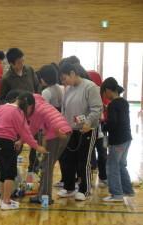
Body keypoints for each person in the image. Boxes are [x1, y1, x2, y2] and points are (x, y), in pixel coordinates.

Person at [0, 92, 46, 210]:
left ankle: (3, 200)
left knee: (3, 172)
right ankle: (6, 202)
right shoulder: (18, 113)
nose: (30, 111)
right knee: (10, 174)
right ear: (28, 105)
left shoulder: (0, 107)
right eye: (31, 108)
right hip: (6, 143)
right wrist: (37, 147)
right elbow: (26, 133)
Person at [57, 61, 102, 201]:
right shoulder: (68, 89)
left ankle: (85, 189)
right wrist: (63, 127)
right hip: (71, 131)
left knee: (84, 161)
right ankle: (69, 187)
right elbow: (64, 110)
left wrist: (88, 122)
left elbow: (97, 108)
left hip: (86, 130)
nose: (64, 82)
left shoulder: (90, 87)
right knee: (66, 159)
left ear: (72, 73)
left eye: (65, 78)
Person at [0, 48, 40, 179]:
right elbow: (2, 99)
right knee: (17, 143)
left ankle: (33, 168)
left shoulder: (30, 70)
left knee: (35, 141)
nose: (22, 63)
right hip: (17, 116)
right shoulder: (6, 78)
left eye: (23, 60)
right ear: (12, 63)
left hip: (33, 113)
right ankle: (9, 169)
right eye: (19, 62)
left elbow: (37, 87)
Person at [100, 77, 134, 202]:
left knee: (112, 166)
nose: (104, 95)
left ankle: (117, 194)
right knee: (121, 165)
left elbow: (113, 123)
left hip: (118, 140)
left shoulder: (113, 104)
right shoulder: (124, 102)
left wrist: (103, 125)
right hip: (127, 138)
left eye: (104, 92)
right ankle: (127, 190)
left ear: (108, 90)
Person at [87, 70, 108, 186]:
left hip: (102, 128)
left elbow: (105, 111)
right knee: (91, 153)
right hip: (91, 128)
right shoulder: (87, 92)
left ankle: (103, 176)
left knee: (102, 151)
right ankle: (91, 174)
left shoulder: (101, 93)